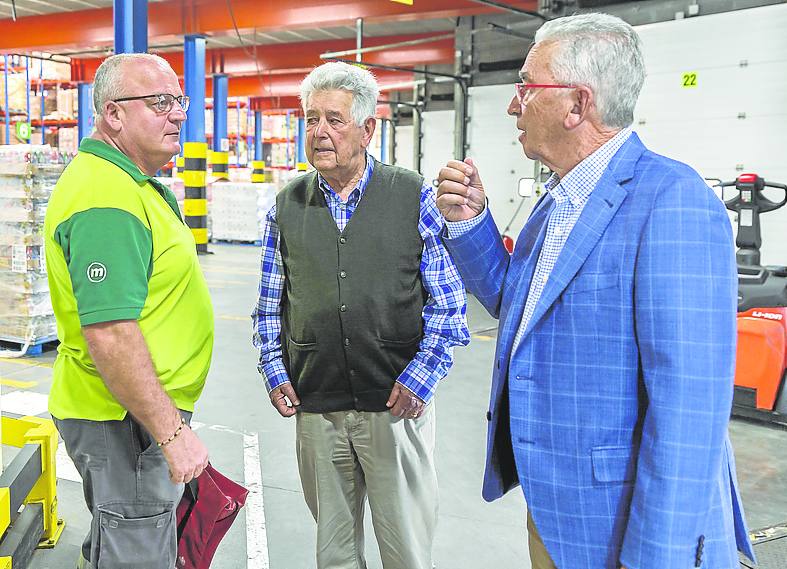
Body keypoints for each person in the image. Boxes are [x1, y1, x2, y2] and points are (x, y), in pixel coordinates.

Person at [436, 12, 754, 569]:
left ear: (577, 105)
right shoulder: (558, 201)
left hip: (621, 524)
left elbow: (689, 411)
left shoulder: (673, 200)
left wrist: (656, 558)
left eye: (526, 88)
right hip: (557, 507)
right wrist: (472, 224)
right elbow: (520, 306)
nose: (513, 105)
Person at [252, 61, 469, 569]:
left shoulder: (412, 195)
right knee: (335, 552)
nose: (319, 132)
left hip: (395, 405)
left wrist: (421, 378)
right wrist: (274, 370)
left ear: (368, 129)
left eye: (334, 120)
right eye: (311, 120)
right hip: (317, 405)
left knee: (405, 549)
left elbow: (449, 303)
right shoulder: (286, 205)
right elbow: (268, 306)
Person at [44, 53, 213, 569]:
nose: (177, 113)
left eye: (179, 100)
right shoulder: (107, 199)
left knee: (120, 537)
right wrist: (171, 433)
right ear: (113, 114)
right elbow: (111, 333)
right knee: (136, 549)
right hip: (125, 420)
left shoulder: (128, 183)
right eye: (159, 102)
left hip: (132, 415)